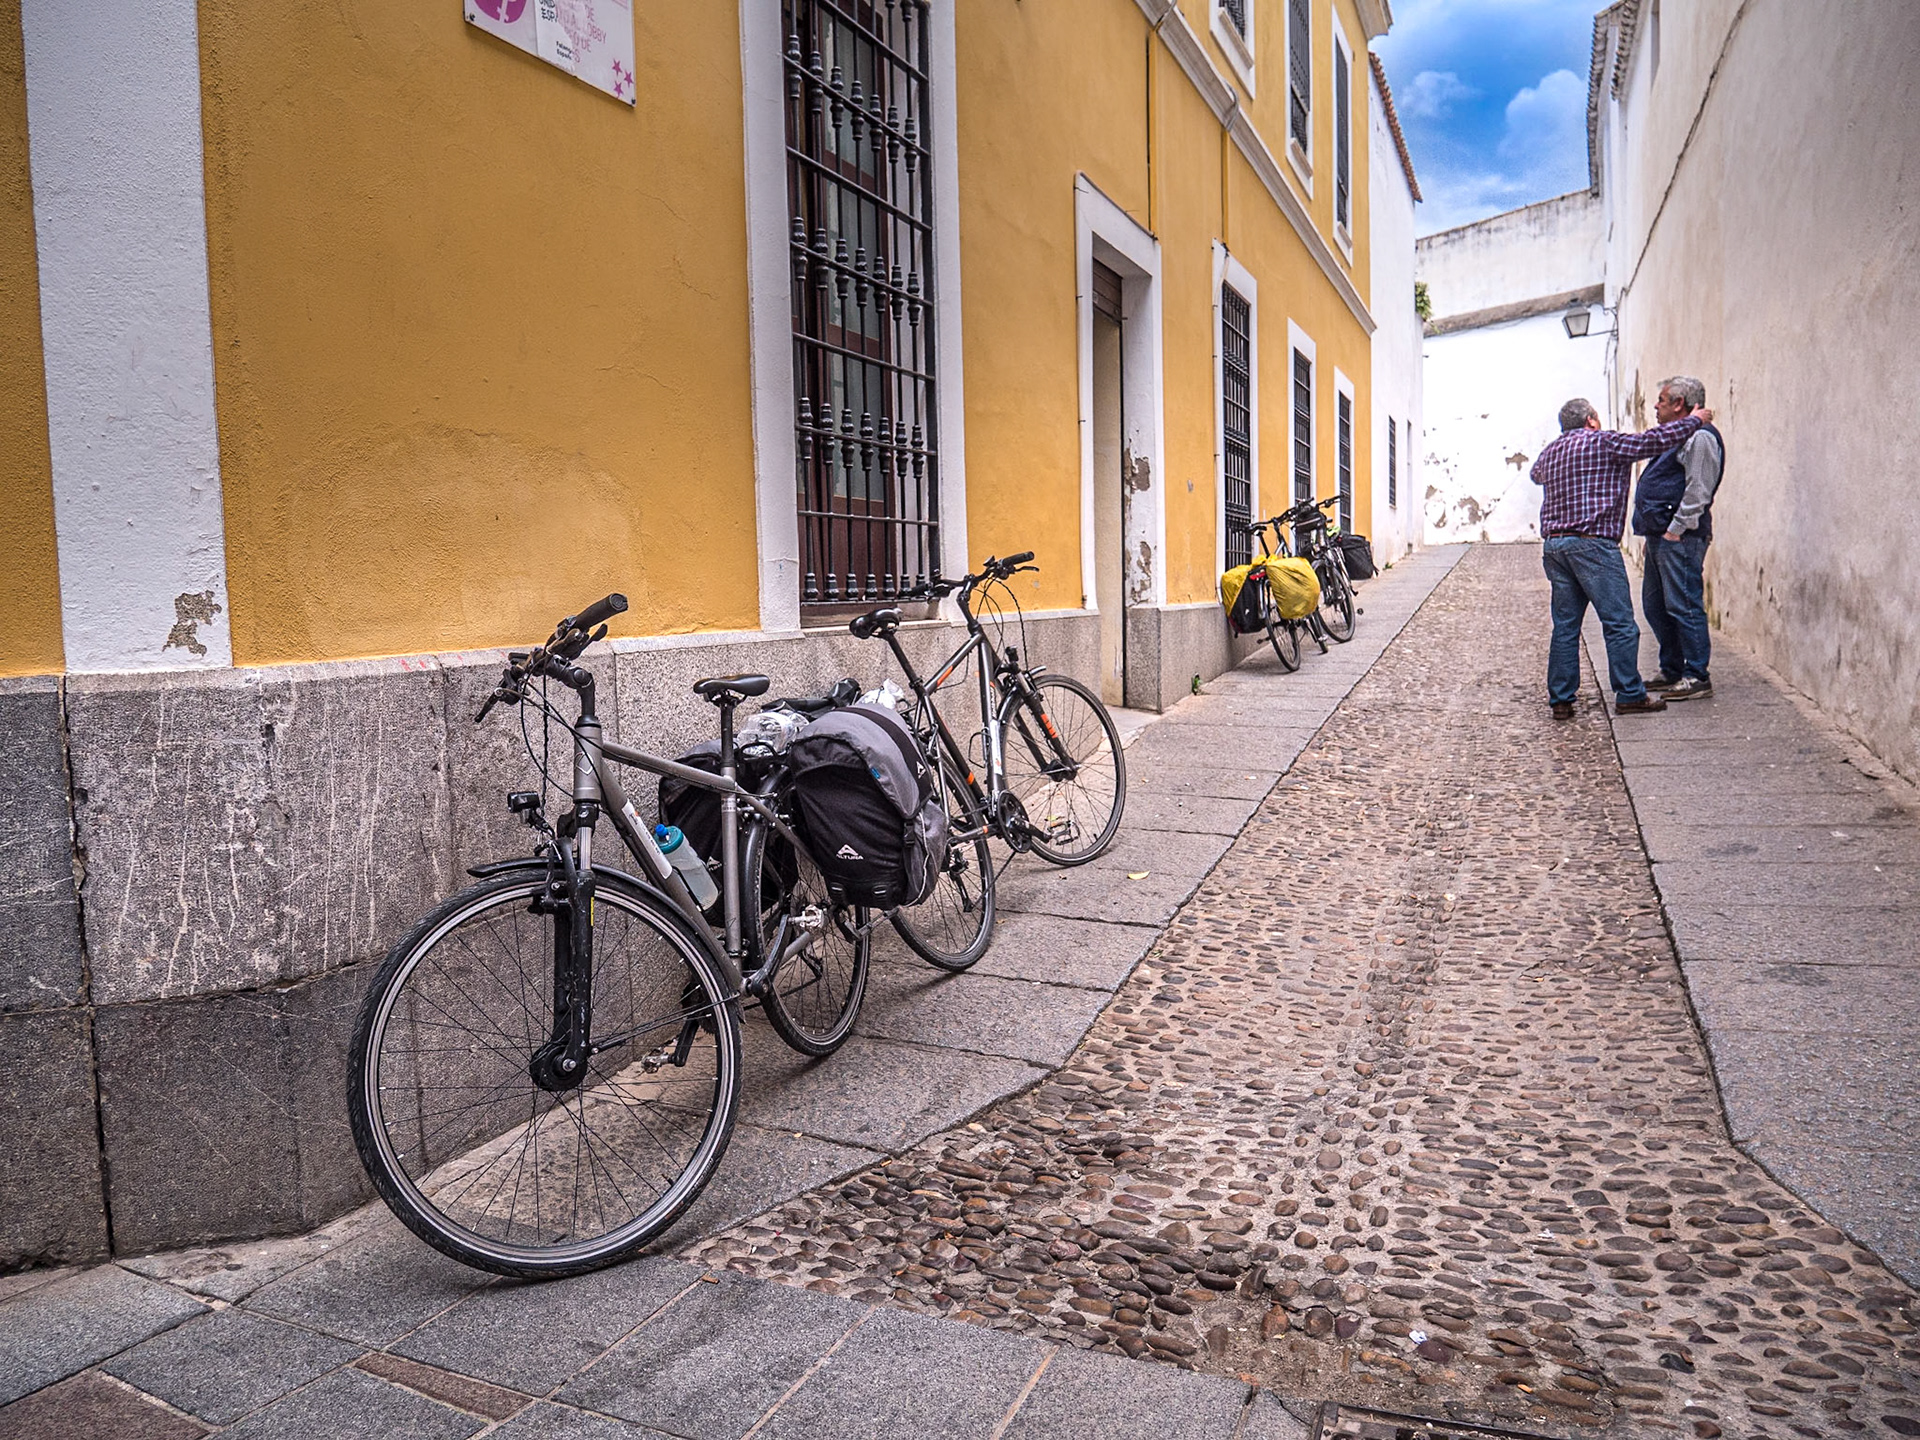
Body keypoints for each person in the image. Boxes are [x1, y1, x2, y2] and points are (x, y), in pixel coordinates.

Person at [1529, 397, 1711, 718]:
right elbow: (1654, 441)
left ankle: (1561, 699)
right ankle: (1629, 694)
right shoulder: (1605, 442)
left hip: (1555, 546)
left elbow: (1536, 475)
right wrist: (1695, 420)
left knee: (1566, 626)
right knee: (1620, 624)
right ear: (1591, 420)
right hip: (1593, 545)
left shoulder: (1551, 452)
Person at [1633, 376, 1725, 701]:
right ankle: (1671, 669)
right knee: (1656, 606)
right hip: (1662, 536)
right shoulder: (1677, 436)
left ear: (1679, 404)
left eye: (1661, 400)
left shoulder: (1699, 437)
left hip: (1681, 537)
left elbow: (1698, 489)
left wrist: (1675, 528)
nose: (1655, 406)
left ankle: (1697, 675)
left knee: (1684, 604)